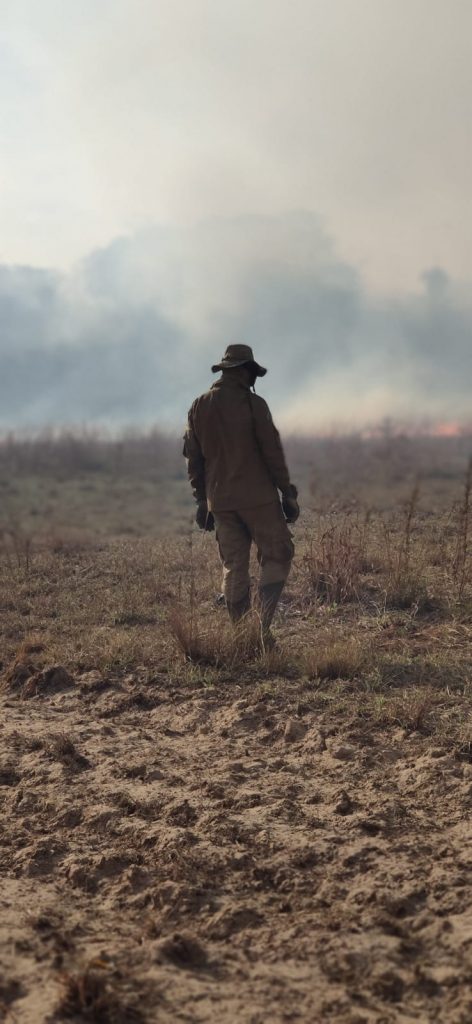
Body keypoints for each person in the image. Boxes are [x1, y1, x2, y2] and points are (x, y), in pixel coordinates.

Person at [183, 344, 299, 639]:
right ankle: (261, 629)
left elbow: (193, 460)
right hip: (258, 499)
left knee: (233, 567)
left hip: (220, 502)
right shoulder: (254, 405)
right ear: (243, 372)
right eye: (252, 373)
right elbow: (272, 453)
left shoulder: (199, 405)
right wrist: (287, 493)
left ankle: (242, 635)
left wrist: (201, 500)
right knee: (278, 554)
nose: (253, 379)